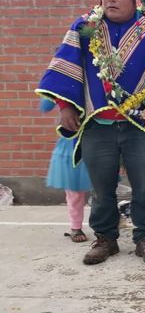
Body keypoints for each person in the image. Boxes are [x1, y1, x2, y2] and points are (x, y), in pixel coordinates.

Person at [35, 0, 145, 265]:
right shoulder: (85, 27)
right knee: (102, 186)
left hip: (140, 123)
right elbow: (65, 66)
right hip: (98, 123)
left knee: (144, 183)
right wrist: (66, 106)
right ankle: (105, 238)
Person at [40, 98, 93, 243]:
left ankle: (105, 226)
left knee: (104, 187)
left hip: (99, 135)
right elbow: (45, 105)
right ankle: (75, 226)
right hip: (71, 139)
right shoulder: (66, 81)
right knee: (74, 189)